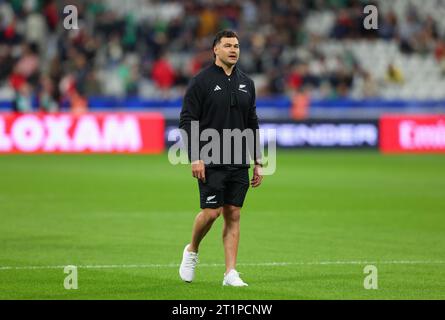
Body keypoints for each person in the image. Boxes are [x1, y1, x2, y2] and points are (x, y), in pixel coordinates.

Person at [178, 30, 263, 287]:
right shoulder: (201, 82)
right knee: (212, 212)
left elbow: (251, 122)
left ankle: (230, 273)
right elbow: (187, 120)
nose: (233, 50)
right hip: (210, 156)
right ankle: (192, 249)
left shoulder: (247, 83)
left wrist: (257, 160)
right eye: (227, 45)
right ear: (216, 49)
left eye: (236, 46)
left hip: (238, 159)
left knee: (233, 213)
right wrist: (195, 156)